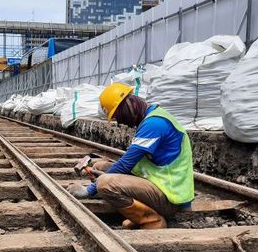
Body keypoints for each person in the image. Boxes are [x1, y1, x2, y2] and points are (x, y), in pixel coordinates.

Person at [67, 83, 194, 229]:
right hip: (158, 182)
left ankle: (152, 220)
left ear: (126, 106)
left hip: (171, 197)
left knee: (105, 183)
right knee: (100, 167)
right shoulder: (151, 118)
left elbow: (126, 164)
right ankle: (138, 211)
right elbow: (131, 163)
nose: (121, 122)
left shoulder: (154, 124)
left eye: (117, 116)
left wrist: (88, 191)